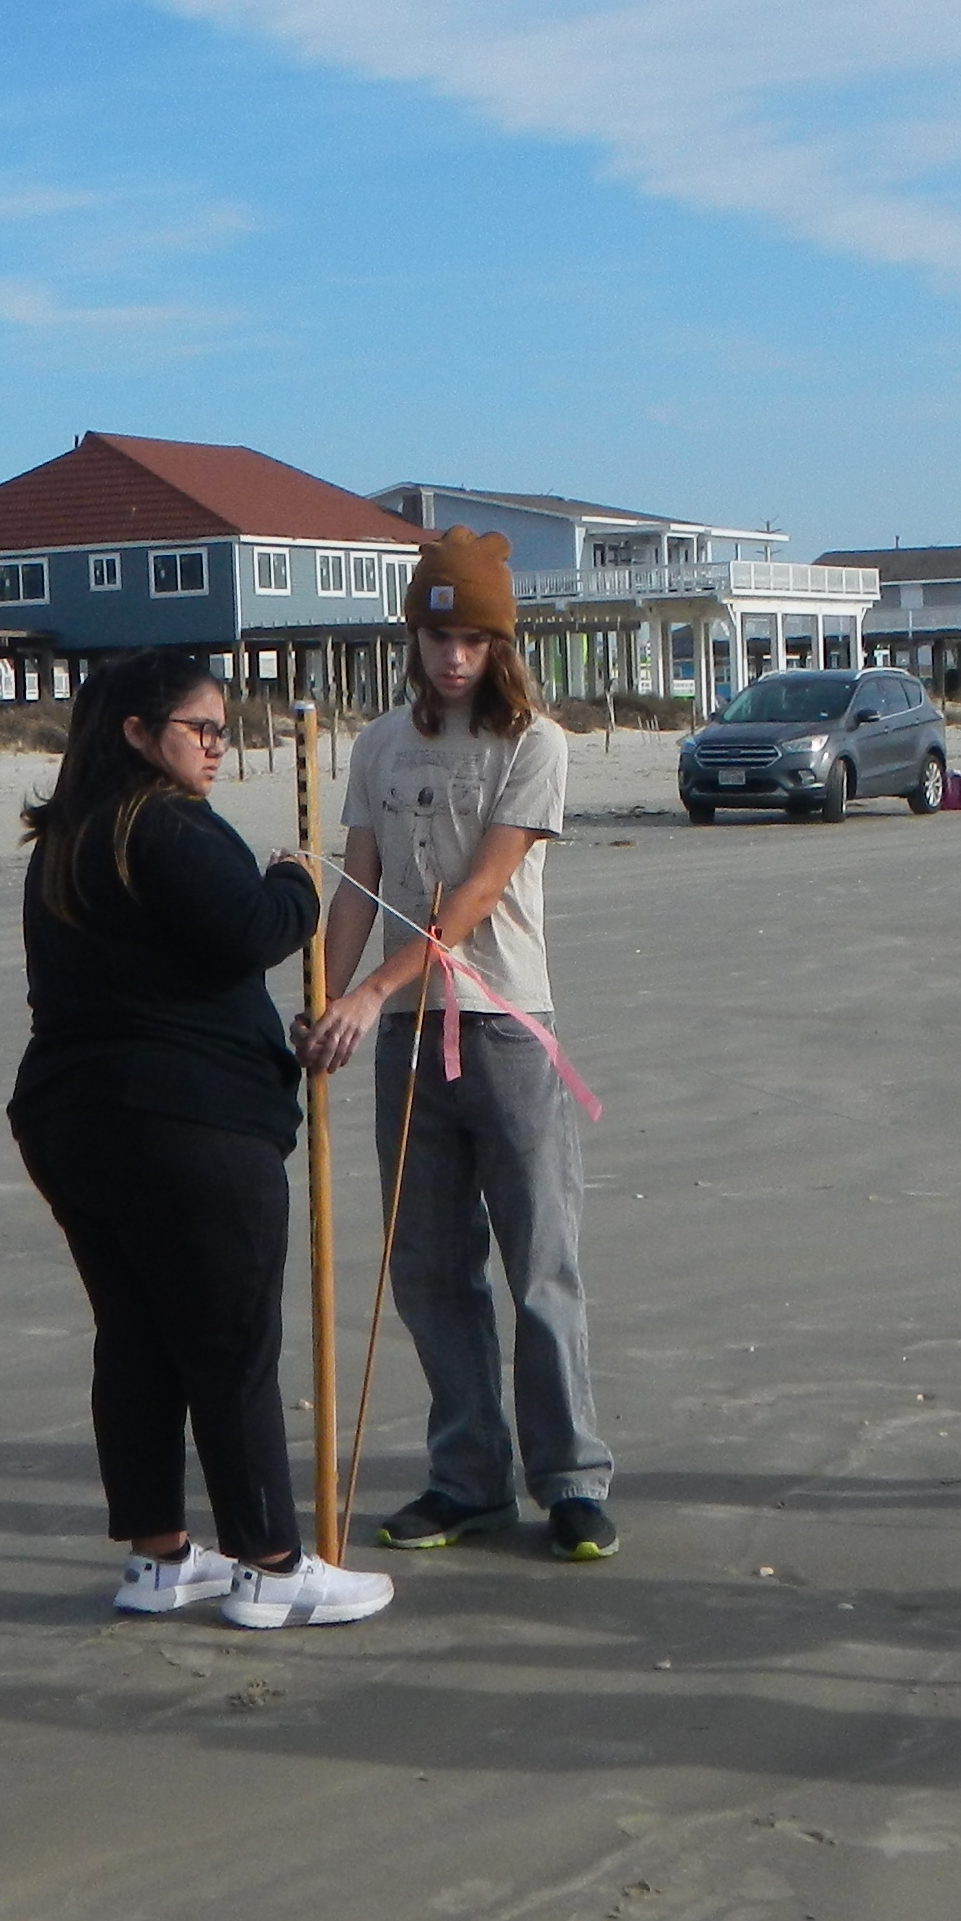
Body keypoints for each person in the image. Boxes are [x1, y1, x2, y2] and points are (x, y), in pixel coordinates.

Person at [10, 647, 394, 1629]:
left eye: (225, 731)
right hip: (180, 1124)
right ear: (139, 732)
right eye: (203, 730)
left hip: (77, 1121)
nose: (219, 748)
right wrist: (299, 883)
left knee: (137, 1338)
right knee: (228, 1343)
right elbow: (250, 930)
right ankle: (268, 1562)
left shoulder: (69, 835)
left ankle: (160, 1556)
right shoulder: (160, 820)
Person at [301, 528, 616, 1561]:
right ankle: (468, 1477)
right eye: (439, 634)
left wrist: (381, 983)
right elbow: (358, 884)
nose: (453, 657)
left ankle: (569, 1475)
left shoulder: (534, 743)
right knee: (431, 1269)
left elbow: (479, 891)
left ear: (499, 644)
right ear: (416, 636)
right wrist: (326, 996)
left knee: (539, 1263)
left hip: (506, 1027)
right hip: (401, 1038)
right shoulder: (379, 743)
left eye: (474, 638)